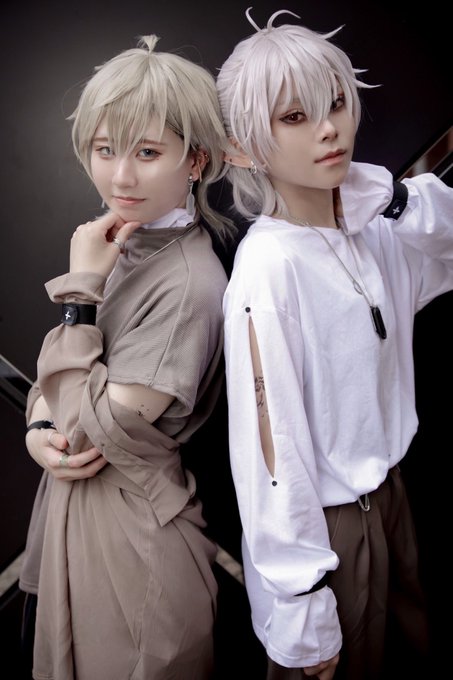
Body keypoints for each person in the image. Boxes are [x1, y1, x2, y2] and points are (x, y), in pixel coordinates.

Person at [215, 7, 453, 680]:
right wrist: (299, 599)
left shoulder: (374, 230)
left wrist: (396, 198)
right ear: (242, 148)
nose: (328, 129)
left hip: (395, 499)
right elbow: (270, 449)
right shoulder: (268, 267)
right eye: (294, 117)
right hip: (328, 531)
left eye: (336, 103)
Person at [20, 33, 236, 680]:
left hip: (134, 548)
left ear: (195, 160)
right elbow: (57, 388)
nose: (120, 176)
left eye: (147, 152)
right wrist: (37, 426)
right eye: (104, 148)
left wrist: (79, 294)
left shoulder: (188, 284)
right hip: (75, 519)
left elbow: (88, 427)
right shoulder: (120, 243)